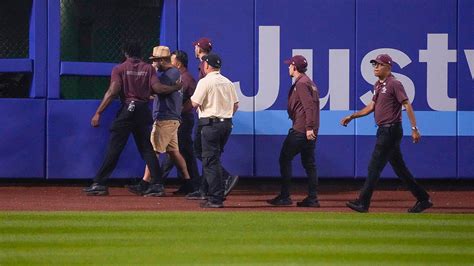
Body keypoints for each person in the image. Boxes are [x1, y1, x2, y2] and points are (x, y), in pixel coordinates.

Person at [83, 40, 179, 196]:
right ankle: (158, 184)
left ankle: (100, 183)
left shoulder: (119, 68)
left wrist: (98, 112)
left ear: (125, 53)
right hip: (143, 111)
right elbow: (158, 88)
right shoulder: (148, 69)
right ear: (140, 54)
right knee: (147, 149)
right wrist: (175, 87)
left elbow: (113, 91)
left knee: (115, 148)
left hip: (127, 110)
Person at [340, 54, 432, 213]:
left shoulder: (394, 83)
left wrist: (414, 128)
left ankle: (363, 202)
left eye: (379, 64)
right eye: (374, 64)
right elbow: (371, 107)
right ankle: (423, 199)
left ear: (388, 67)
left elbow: (407, 105)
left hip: (390, 130)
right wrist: (352, 116)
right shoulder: (378, 84)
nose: (375, 67)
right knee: (400, 169)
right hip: (385, 130)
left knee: (374, 167)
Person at [127, 46, 193, 196]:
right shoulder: (171, 73)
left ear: (163, 60)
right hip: (170, 117)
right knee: (174, 152)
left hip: (166, 117)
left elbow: (156, 89)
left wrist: (151, 72)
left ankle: (146, 183)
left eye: (156, 61)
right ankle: (189, 183)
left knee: (153, 151)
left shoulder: (171, 73)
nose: (154, 63)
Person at [186, 38, 239, 200]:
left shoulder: (205, 81)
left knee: (209, 159)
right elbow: (235, 105)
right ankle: (207, 191)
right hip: (226, 124)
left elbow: (194, 103)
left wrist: (179, 111)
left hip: (210, 123)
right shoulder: (228, 82)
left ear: (207, 65)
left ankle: (217, 194)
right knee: (212, 158)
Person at [267, 55, 321, 207]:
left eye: (289, 65)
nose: (288, 68)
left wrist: (308, 127)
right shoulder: (309, 82)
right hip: (309, 129)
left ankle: (285, 196)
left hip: (301, 129)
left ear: (295, 67)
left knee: (285, 159)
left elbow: (308, 106)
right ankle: (312, 198)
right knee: (309, 163)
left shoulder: (302, 83)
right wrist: (312, 128)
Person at [158, 50, 200, 195]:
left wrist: (178, 110)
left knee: (176, 151)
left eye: (172, 60)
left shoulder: (186, 79)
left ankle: (157, 182)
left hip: (183, 120)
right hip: (181, 119)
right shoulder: (181, 77)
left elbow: (191, 100)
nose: (170, 63)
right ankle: (191, 184)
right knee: (182, 151)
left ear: (179, 63)